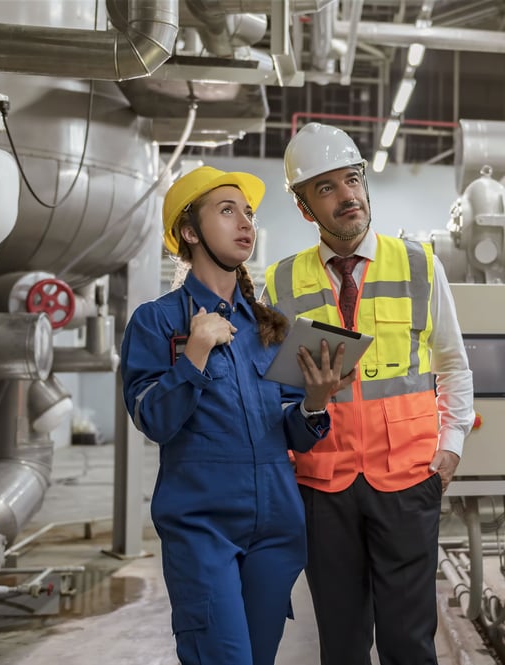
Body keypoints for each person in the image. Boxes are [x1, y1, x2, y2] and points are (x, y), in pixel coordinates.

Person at [263, 123, 475, 665]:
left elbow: (452, 362)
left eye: (352, 180)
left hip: (407, 479)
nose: (347, 196)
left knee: (409, 644)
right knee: (342, 643)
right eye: (327, 188)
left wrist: (451, 447)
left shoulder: (421, 266)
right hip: (322, 484)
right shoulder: (280, 284)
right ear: (305, 208)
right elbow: (274, 393)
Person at [120, 165, 350, 665]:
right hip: (202, 526)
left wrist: (315, 400)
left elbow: (290, 428)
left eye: (248, 213)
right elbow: (153, 420)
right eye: (227, 211)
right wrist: (195, 354)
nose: (246, 222)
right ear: (189, 231)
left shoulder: (269, 328)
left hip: (275, 527)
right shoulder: (157, 321)